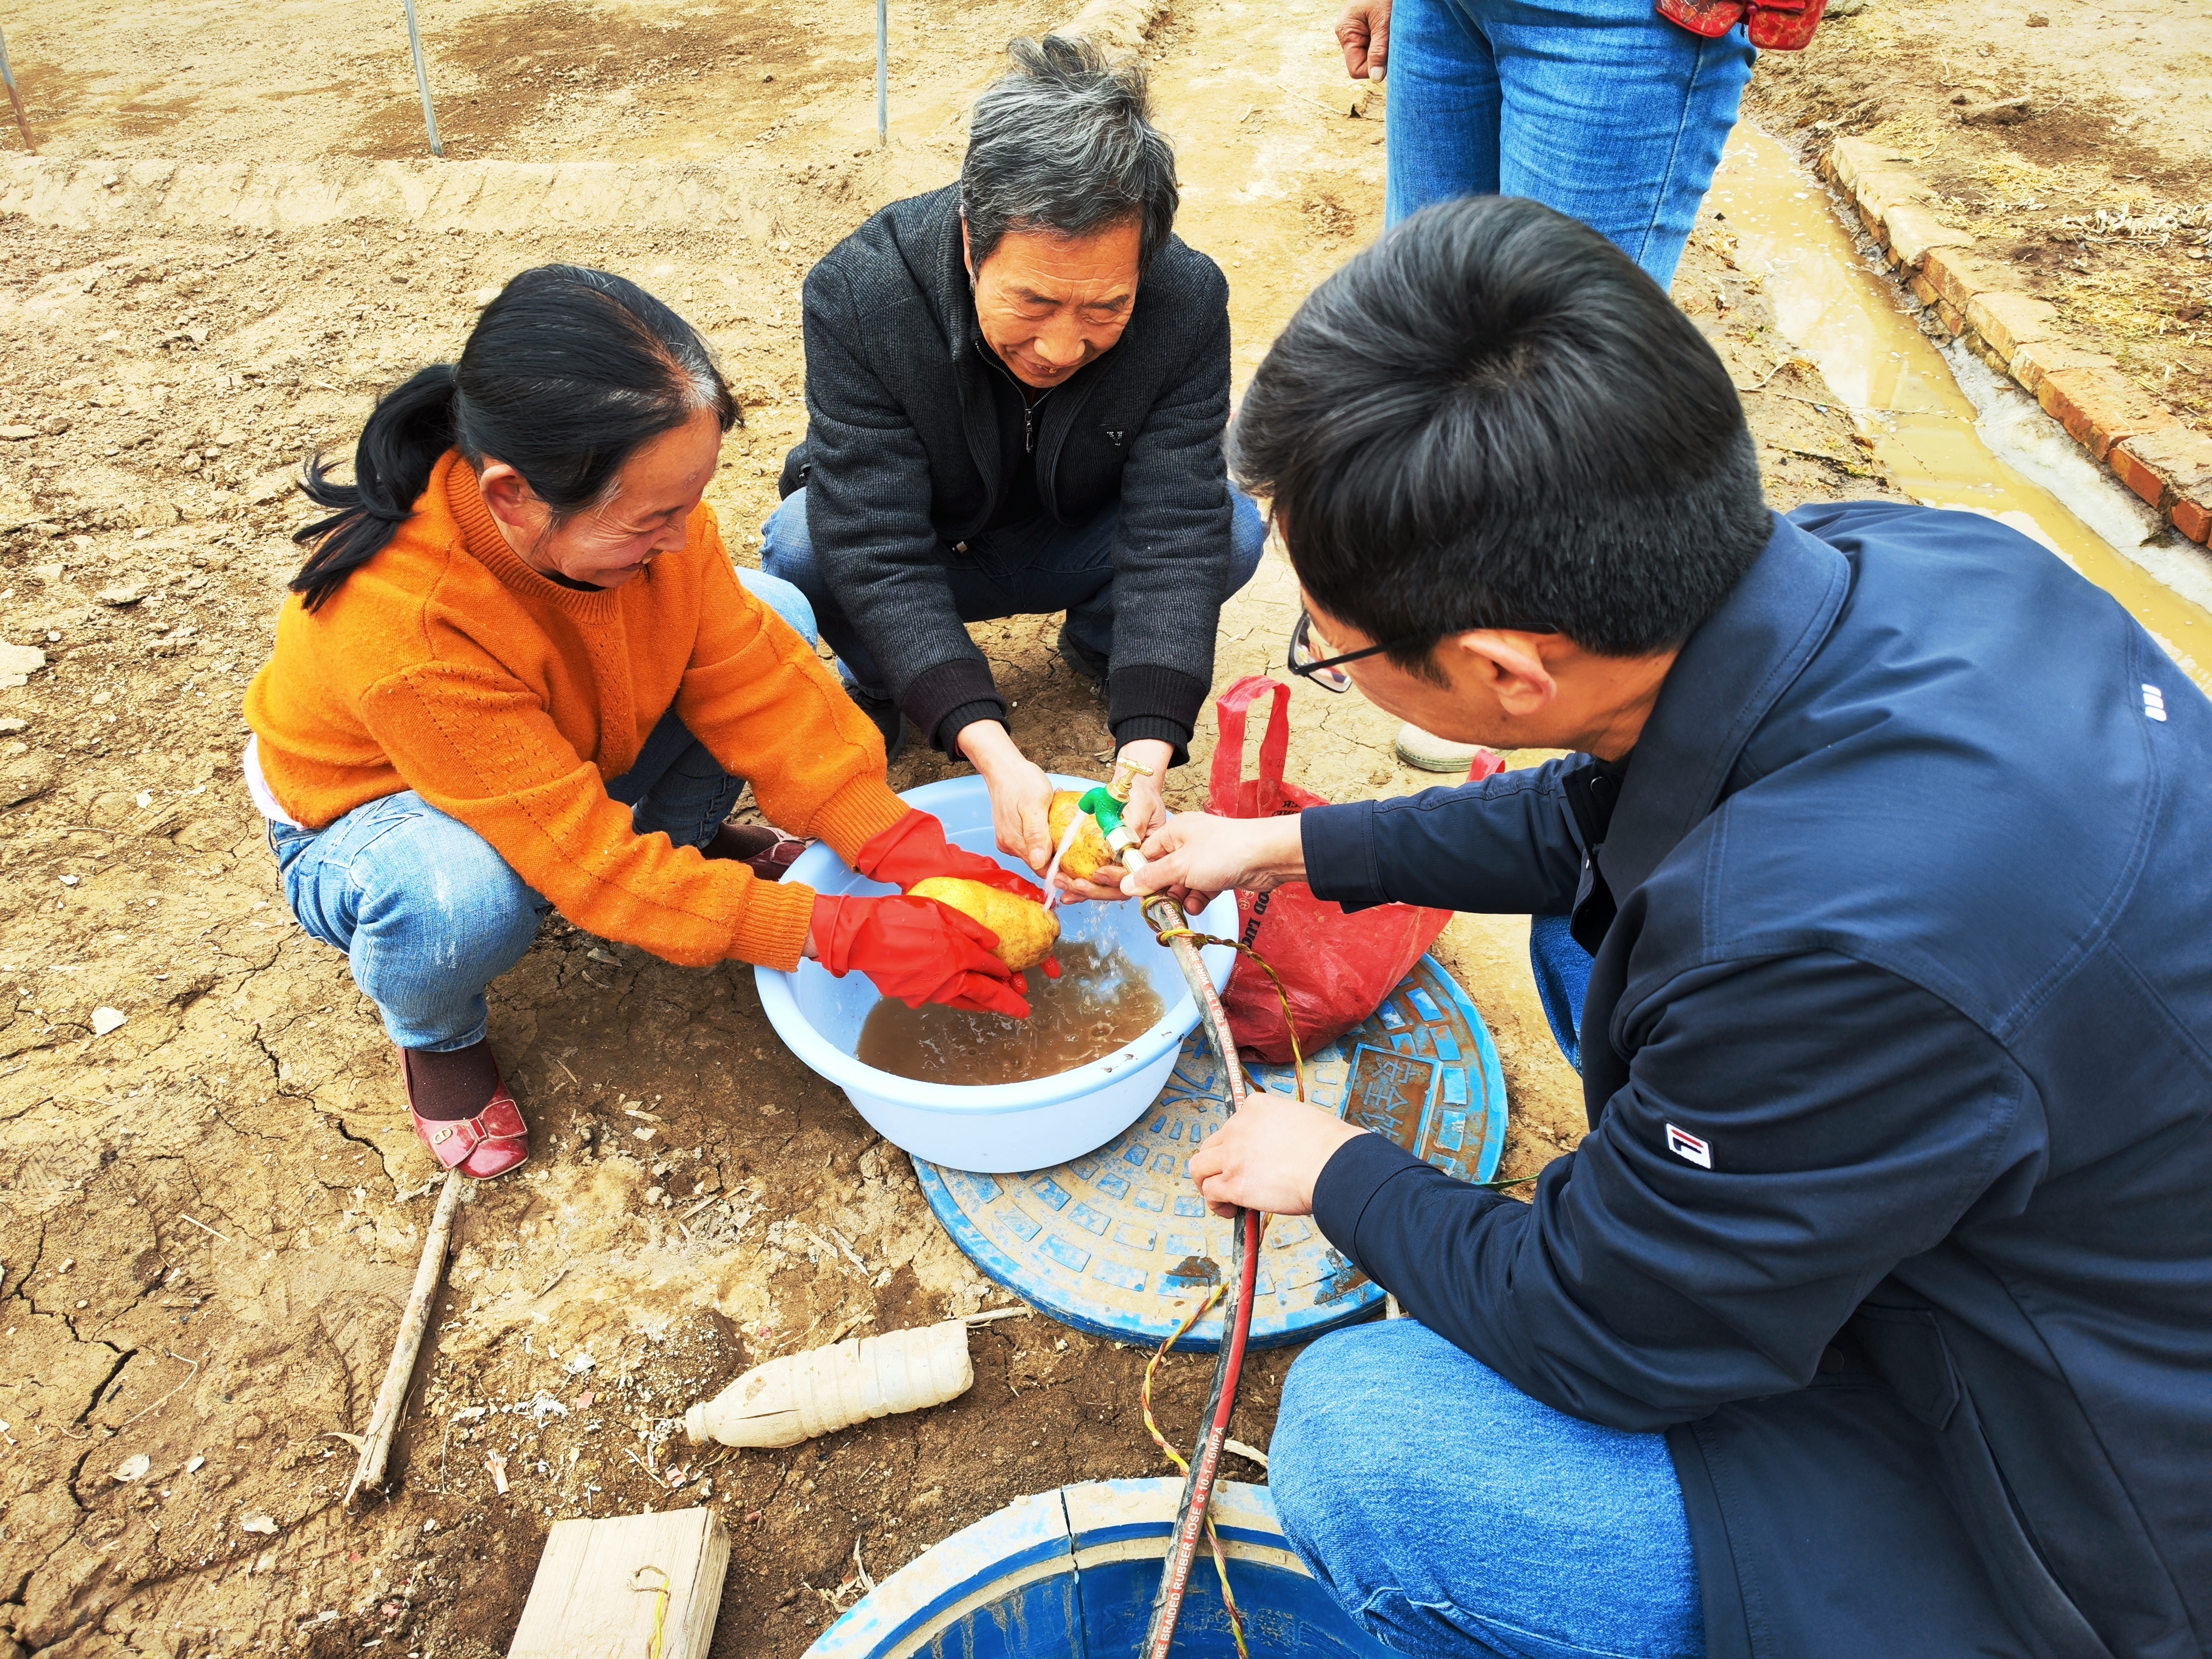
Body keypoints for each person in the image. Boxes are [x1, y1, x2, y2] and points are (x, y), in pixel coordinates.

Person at [1124, 198, 2212, 1659]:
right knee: (1594, 937)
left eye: (1328, 646)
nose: (1318, 665)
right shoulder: (1897, 566)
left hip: (2081, 1487)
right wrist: (1291, 843)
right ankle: (1720, 1221)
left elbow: (1606, 1336)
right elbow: (1594, 811)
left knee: (1367, 1446)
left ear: (1510, 670)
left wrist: (1343, 1171)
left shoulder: (1820, 950)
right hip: (2066, 1191)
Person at [244, 266, 1042, 1181]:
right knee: (461, 900)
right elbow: (587, 862)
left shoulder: (649, 520)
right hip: (381, 814)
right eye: (650, 518)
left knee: (770, 611)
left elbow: (758, 693)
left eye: (690, 501)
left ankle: (688, 852)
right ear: (513, 495)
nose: (683, 537)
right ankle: (434, 1032)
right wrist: (840, 934)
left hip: (558, 741)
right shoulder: (409, 625)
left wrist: (899, 843)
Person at [761, 36, 1268, 892]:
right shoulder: (864, 292)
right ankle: (891, 682)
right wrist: (988, 746)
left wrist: (1147, 749)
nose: (1063, 345)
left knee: (1229, 530)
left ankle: (1105, 648)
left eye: (1107, 308)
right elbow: (877, 543)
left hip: (1074, 535)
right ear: (970, 237)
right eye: (1031, 302)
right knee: (807, 542)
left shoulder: (1187, 299)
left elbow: (1172, 526)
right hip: (933, 544)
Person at [1332, 0, 1756, 776]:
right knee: (1422, 329)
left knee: (1555, 369)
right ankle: (1412, 617)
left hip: (1617, 21)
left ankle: (1495, 636)